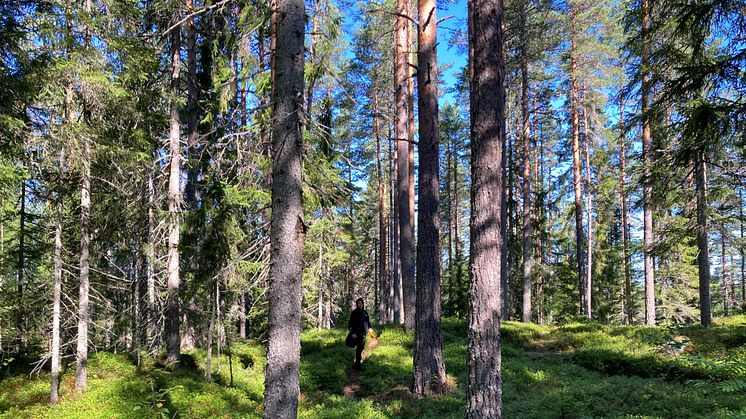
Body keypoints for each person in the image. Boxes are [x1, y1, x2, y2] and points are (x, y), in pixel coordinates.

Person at [347, 298, 370, 370]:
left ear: (363, 304)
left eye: (361, 303)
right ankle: (357, 365)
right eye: (359, 303)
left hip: (363, 334)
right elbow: (351, 323)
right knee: (359, 349)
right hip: (356, 334)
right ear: (357, 304)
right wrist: (353, 333)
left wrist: (370, 330)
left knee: (361, 348)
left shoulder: (365, 312)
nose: (360, 304)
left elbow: (367, 322)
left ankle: (357, 363)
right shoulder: (354, 312)